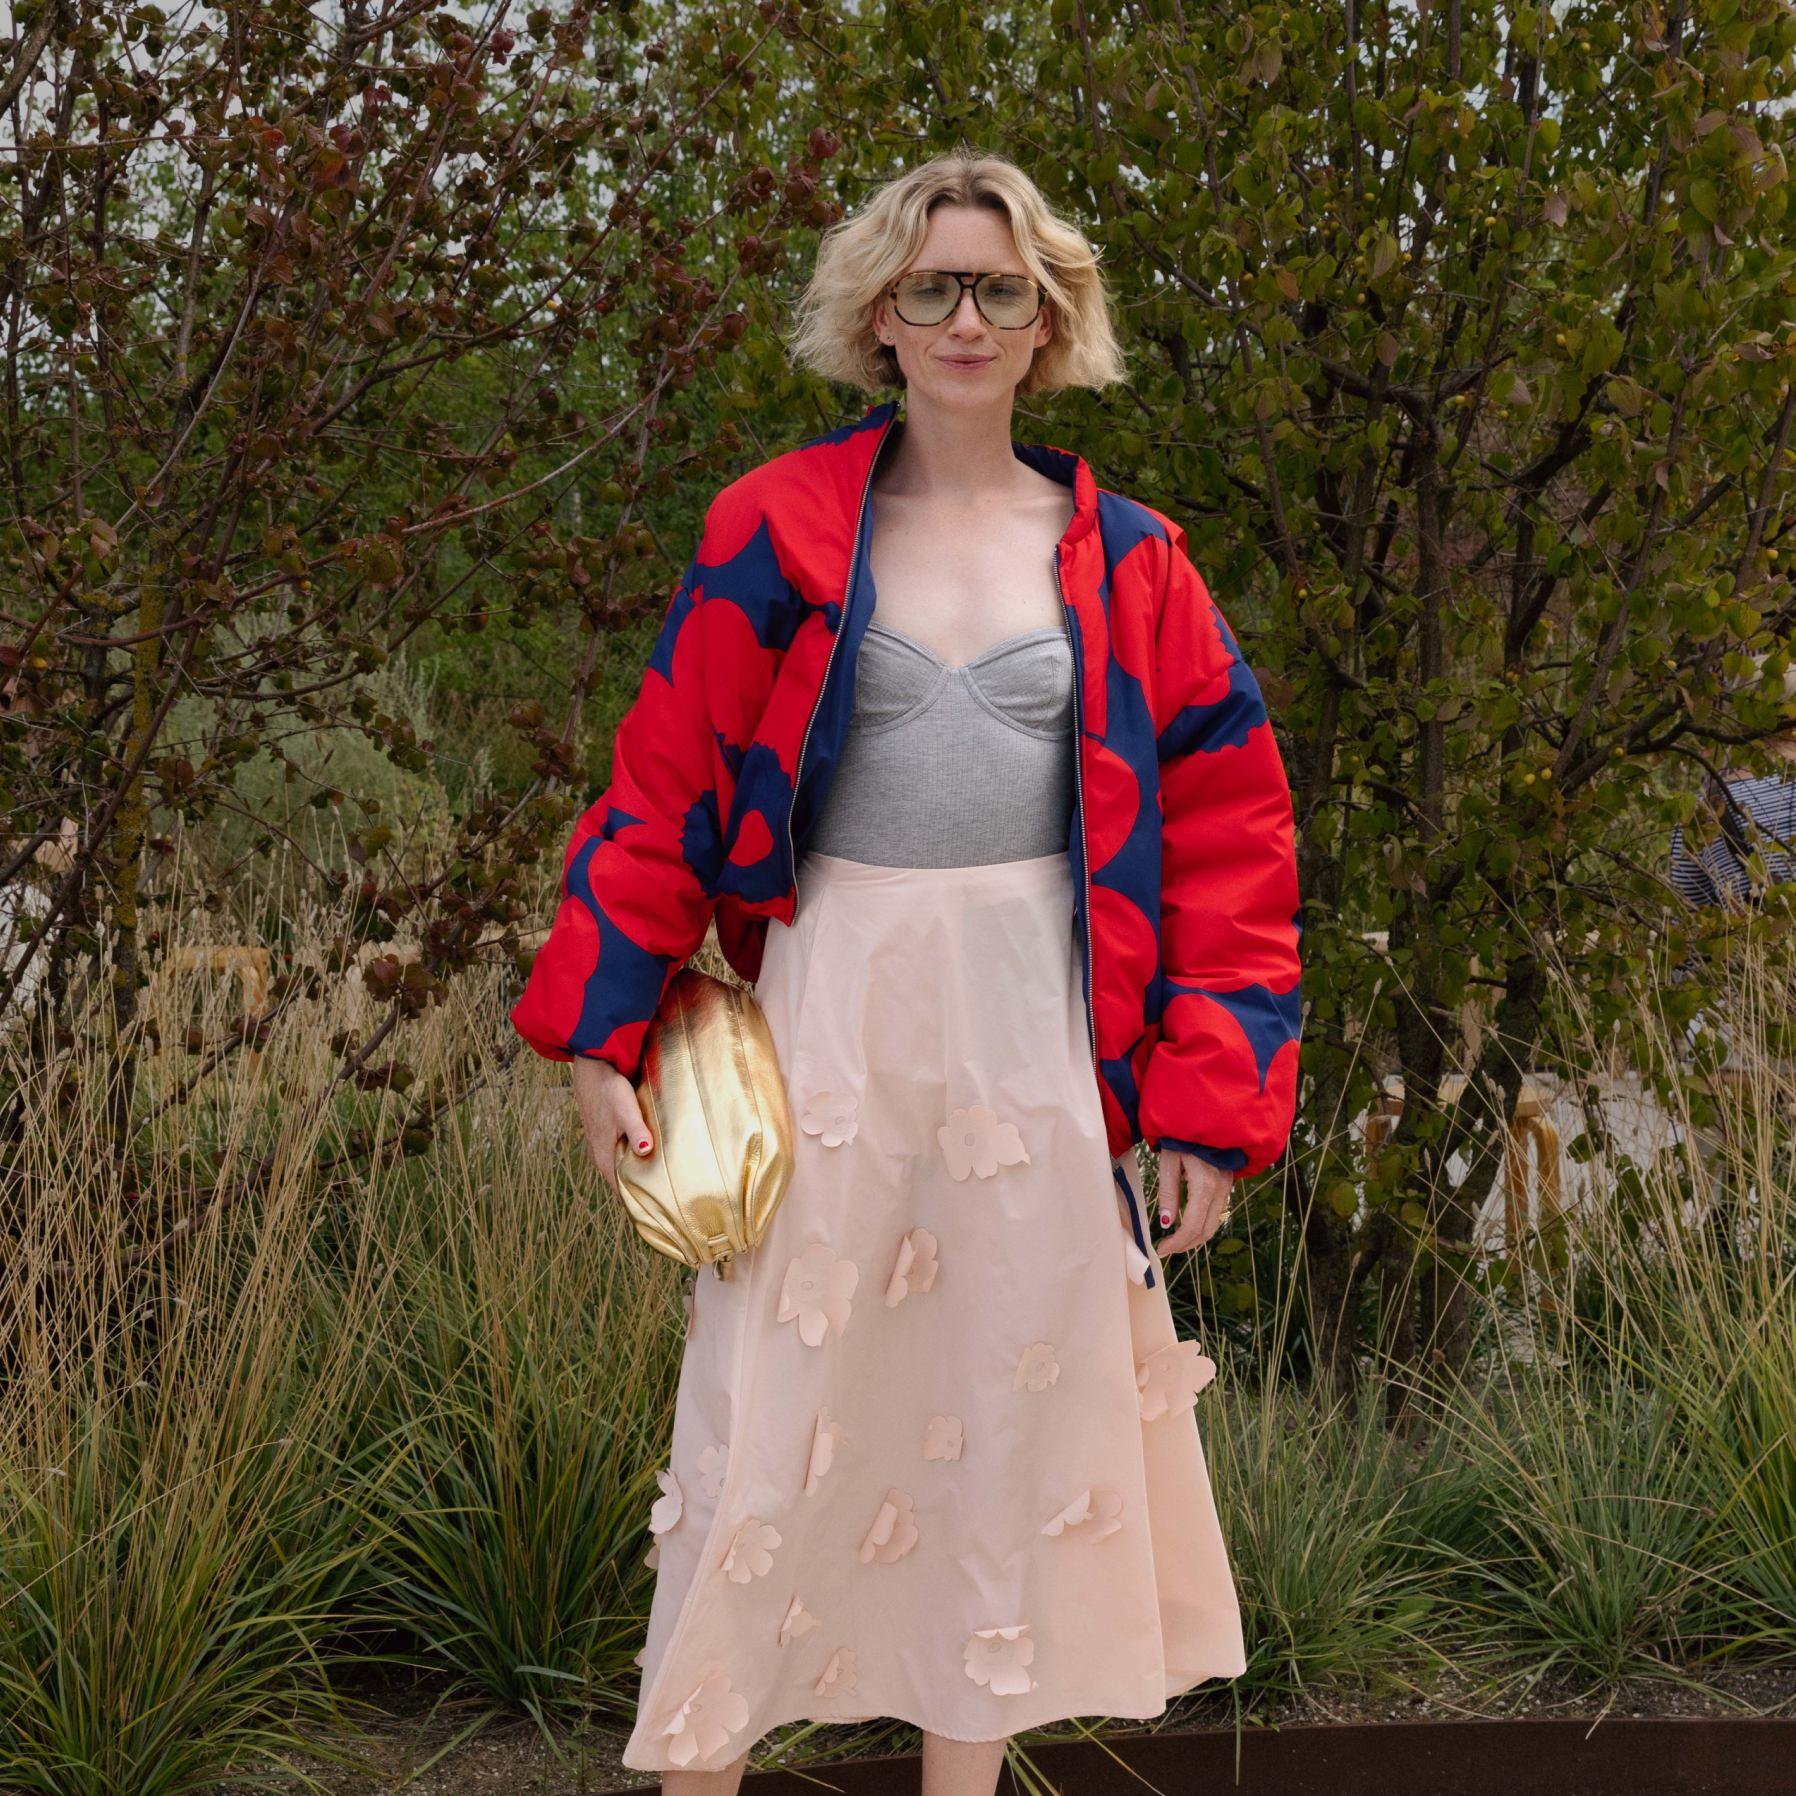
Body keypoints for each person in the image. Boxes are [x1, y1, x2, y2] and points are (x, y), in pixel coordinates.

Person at [509, 148, 1303, 1795]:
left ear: (1046, 319)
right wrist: (600, 1032)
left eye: (998, 288)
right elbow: (660, 788)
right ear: (880, 314)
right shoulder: (775, 528)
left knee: (1002, 1436)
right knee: (766, 1426)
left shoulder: (1134, 560)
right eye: (931, 285)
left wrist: (1209, 1115)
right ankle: (704, 1768)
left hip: (1038, 1037)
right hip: (829, 1021)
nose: (963, 315)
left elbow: (1234, 845)